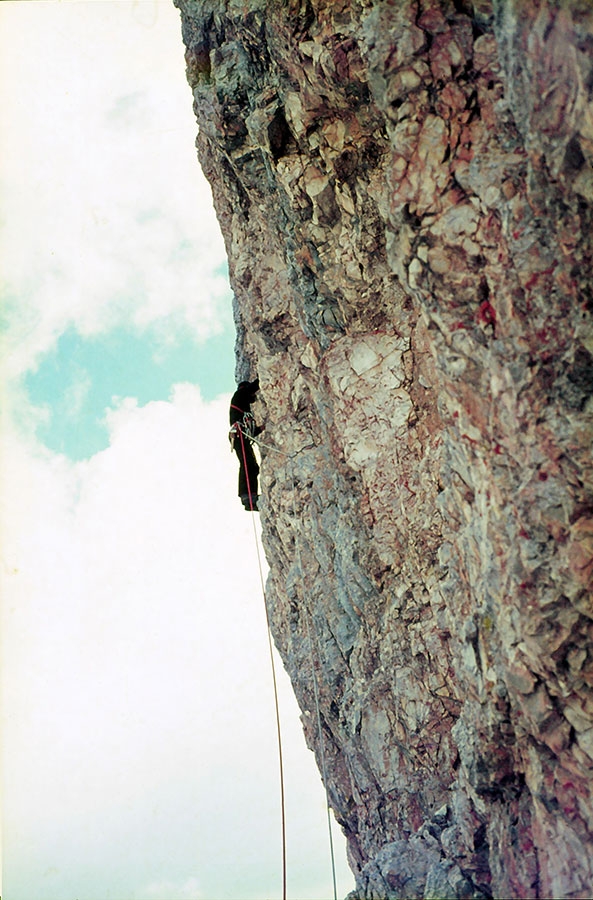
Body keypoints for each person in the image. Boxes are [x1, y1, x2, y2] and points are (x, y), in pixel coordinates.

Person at [229, 378, 264, 511]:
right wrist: (261, 378)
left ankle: (251, 496)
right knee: (247, 464)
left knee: (252, 466)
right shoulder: (240, 394)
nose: (253, 397)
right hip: (238, 435)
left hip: (242, 435)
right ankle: (247, 497)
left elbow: (251, 432)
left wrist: (261, 429)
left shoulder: (243, 407)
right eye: (252, 395)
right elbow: (252, 388)